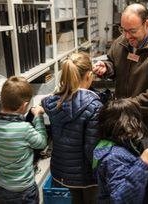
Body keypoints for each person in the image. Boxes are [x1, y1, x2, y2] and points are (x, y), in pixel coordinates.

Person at [93, 3, 148, 138]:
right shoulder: (121, 42)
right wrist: (107, 67)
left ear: (147, 24)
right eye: (123, 30)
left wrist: (126, 106)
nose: (127, 36)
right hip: (123, 118)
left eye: (132, 31)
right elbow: (112, 61)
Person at [42, 52, 103, 204]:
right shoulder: (95, 107)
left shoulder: (52, 103)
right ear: (89, 75)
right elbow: (92, 150)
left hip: (60, 173)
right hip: (87, 178)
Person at [0, 76, 47, 204]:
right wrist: (38, 116)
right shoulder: (24, 128)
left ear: (1, 101)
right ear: (25, 105)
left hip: (2, 187)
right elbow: (42, 142)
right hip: (25, 189)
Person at [93, 98, 148, 203]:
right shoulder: (114, 157)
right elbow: (122, 199)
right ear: (129, 124)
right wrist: (143, 165)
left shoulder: (116, 144)